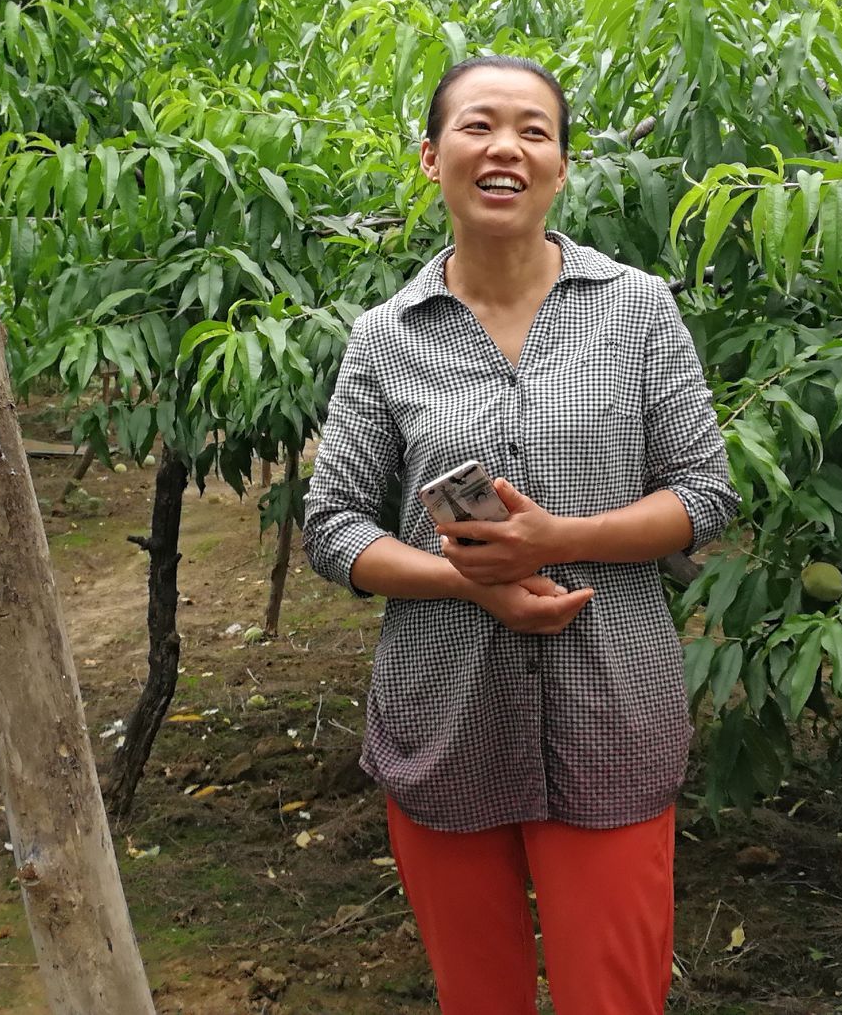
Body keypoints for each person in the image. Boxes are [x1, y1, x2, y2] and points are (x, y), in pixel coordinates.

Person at [300, 55, 740, 1015]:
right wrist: (469, 582)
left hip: (609, 712)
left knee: (612, 996)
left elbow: (705, 493)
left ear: (561, 166)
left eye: (534, 130)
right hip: (443, 717)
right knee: (478, 997)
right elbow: (331, 524)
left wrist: (557, 539)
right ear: (432, 156)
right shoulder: (385, 335)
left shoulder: (635, 307)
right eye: (478, 126)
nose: (506, 147)